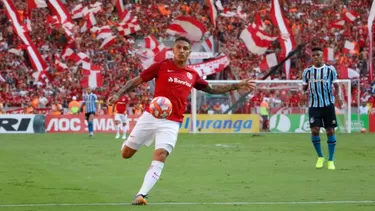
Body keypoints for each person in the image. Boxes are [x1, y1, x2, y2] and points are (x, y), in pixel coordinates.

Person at [108, 36, 256, 205]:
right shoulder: (162, 66)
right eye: (179, 47)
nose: (181, 51)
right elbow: (136, 81)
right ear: (173, 50)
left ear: (189, 52)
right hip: (150, 116)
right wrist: (118, 94)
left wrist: (237, 85)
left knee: (161, 154)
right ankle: (129, 144)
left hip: (172, 122)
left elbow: (212, 89)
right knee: (126, 154)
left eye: (185, 48)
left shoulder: (192, 74)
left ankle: (142, 194)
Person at [302, 47, 343, 170]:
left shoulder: (330, 70)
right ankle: (320, 157)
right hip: (314, 105)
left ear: (322, 56)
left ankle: (331, 160)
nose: (315, 57)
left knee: (330, 131)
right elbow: (304, 87)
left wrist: (339, 97)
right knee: (315, 130)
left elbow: (336, 85)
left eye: (318, 55)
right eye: (313, 55)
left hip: (328, 105)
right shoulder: (307, 72)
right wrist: (302, 95)